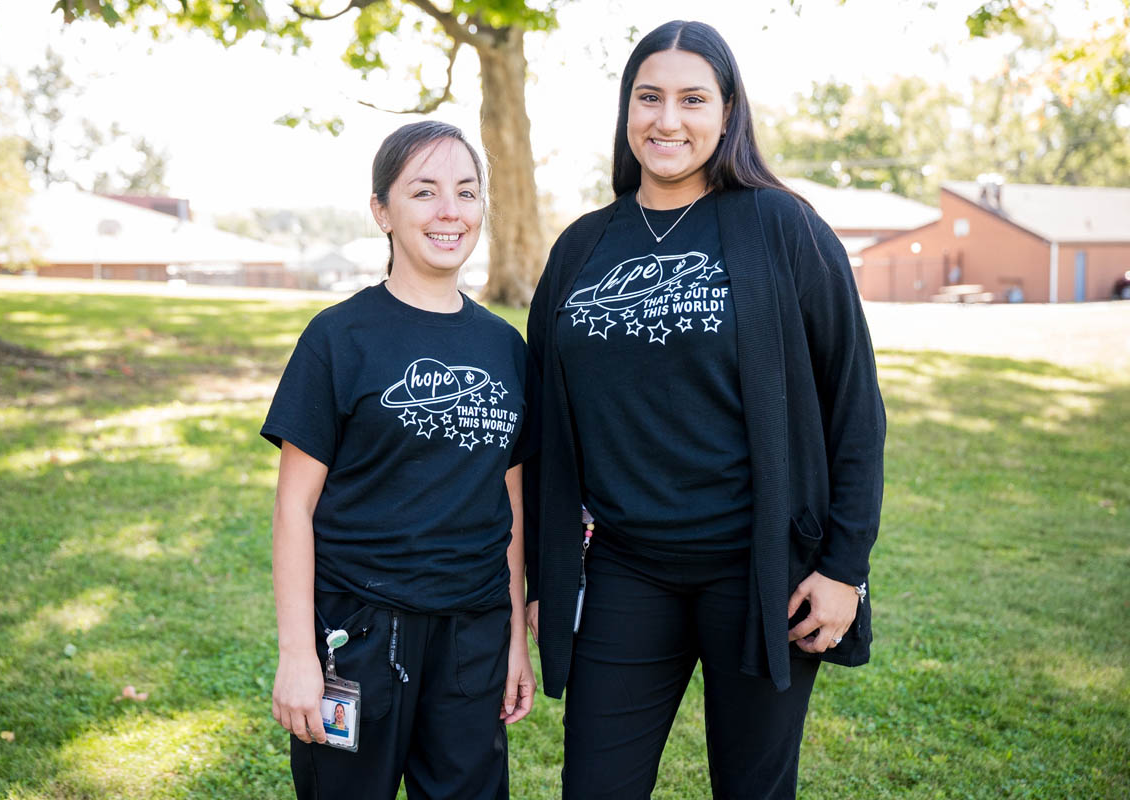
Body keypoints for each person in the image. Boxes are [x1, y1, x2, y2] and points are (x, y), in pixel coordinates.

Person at [523, 20, 886, 800]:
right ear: (627, 113)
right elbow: (544, 430)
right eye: (648, 97)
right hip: (624, 568)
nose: (668, 119)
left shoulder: (780, 226)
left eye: (693, 99)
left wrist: (843, 571)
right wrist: (534, 575)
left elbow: (852, 400)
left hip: (759, 572)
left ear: (727, 113)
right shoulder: (582, 247)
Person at [263, 120, 536, 800]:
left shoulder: (506, 348)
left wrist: (512, 640)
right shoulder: (338, 338)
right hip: (357, 636)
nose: (450, 211)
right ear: (382, 210)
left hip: (470, 638)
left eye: (467, 192)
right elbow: (294, 507)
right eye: (424, 191)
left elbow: (509, 501)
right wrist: (298, 654)